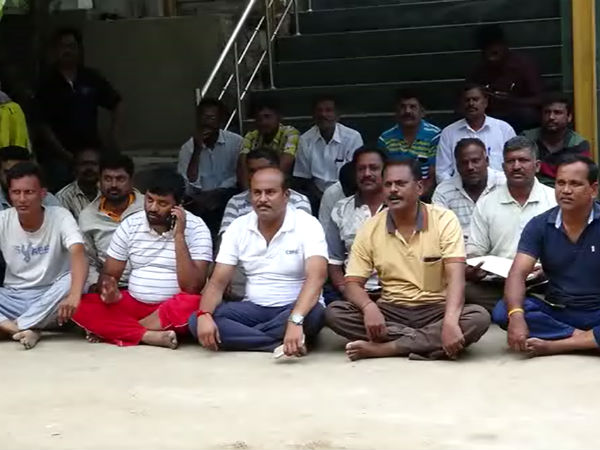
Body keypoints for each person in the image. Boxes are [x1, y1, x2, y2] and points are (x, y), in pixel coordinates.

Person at [326, 159, 490, 361]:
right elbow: (352, 283)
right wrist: (369, 308)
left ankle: (386, 348)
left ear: (419, 187)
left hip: (436, 309)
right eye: (388, 184)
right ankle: (430, 344)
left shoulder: (444, 220)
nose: (393, 190)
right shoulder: (370, 227)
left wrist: (449, 321)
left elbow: (456, 279)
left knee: (478, 317)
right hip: (391, 309)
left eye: (400, 184)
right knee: (335, 313)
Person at [190, 166, 328, 354]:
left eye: (270, 192)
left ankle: (251, 337)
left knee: (315, 314)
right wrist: (204, 314)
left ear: (286, 195)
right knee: (197, 320)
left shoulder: (307, 224)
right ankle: (276, 344)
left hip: (295, 308)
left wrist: (295, 319)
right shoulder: (238, 227)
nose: (262, 199)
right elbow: (217, 282)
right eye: (257, 192)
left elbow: (317, 278)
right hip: (253, 308)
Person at [72, 169, 213, 348]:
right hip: (134, 304)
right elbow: (109, 275)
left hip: (173, 307)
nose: (153, 208)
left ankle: (119, 331)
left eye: (162, 203)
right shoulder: (130, 224)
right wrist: (108, 289)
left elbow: (192, 287)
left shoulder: (197, 228)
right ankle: (148, 335)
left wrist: (179, 236)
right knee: (80, 305)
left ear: (179, 205)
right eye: (149, 200)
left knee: (194, 303)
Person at [493, 155, 600, 357]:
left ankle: (556, 345)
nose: (565, 190)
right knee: (504, 311)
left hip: (596, 312)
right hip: (560, 311)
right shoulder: (540, 225)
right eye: (561, 183)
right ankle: (587, 340)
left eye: (575, 184)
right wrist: (516, 316)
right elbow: (517, 274)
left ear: (593, 190)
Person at [0, 162, 87, 349]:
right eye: (16, 192)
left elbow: (78, 251)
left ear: (43, 193)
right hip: (13, 298)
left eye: (29, 192)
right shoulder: (3, 220)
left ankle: (14, 326)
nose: (22, 199)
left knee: (74, 279)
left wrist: (74, 296)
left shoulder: (60, 216)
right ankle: (26, 328)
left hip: (53, 298)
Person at [466, 136, 556, 311]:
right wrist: (474, 269)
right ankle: (528, 308)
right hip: (499, 284)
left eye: (523, 160)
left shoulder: (554, 200)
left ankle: (511, 309)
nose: (516, 166)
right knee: (463, 290)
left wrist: (548, 269)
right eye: (510, 161)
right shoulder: (486, 203)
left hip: (544, 282)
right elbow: (476, 252)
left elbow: (570, 252)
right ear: (503, 167)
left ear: (537, 166)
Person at [36, 27, 122, 190]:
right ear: (55, 50)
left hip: (91, 152)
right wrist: (63, 152)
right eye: (63, 46)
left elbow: (116, 102)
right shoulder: (46, 83)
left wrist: (113, 137)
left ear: (79, 49)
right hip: (57, 156)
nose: (67, 51)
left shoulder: (90, 78)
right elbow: (42, 124)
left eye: (71, 46)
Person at [326, 148, 386, 300]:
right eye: (361, 169)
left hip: (396, 295)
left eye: (374, 168)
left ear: (386, 172)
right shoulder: (341, 209)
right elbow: (334, 263)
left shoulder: (399, 206)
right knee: (333, 311)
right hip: (352, 293)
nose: (367, 174)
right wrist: (348, 293)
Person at [78, 153, 144, 290]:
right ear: (99, 181)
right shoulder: (88, 216)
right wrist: (97, 285)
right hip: (110, 286)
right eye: (107, 179)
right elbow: (88, 260)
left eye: (120, 179)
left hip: (148, 282)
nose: (113, 185)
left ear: (131, 181)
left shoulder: (148, 208)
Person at [178, 98, 242, 234]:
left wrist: (217, 193)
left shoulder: (236, 142)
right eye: (203, 117)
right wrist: (197, 150)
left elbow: (238, 175)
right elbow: (188, 182)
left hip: (227, 194)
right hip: (199, 199)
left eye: (212, 118)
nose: (206, 122)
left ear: (220, 121)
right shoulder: (187, 148)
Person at [468, 24, 542, 133]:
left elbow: (540, 99)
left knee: (528, 114)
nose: (491, 58)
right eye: (486, 52)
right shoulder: (479, 69)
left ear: (504, 46)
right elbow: (465, 97)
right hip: (489, 117)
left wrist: (512, 100)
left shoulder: (523, 65)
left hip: (517, 116)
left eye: (495, 52)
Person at [220, 148, 311, 236]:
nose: (258, 174)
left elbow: (304, 237)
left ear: (277, 170)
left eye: (263, 169)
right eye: (252, 170)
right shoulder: (236, 202)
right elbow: (225, 238)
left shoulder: (298, 201)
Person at [436, 84, 516, 182]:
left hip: (500, 188)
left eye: (475, 99)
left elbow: (514, 163)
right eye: (467, 100)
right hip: (460, 188)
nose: (471, 104)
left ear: (485, 102)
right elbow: (442, 172)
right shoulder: (449, 133)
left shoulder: (504, 129)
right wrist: (453, 189)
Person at [293, 95, 363, 208]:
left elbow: (354, 174)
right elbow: (304, 178)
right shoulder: (305, 139)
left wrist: (336, 198)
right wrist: (323, 199)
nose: (323, 115)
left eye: (328, 110)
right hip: (316, 196)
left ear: (338, 115)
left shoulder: (352, 137)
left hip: (346, 193)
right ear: (313, 115)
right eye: (319, 111)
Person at [432, 138, 505, 241]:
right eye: (464, 162)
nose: (470, 167)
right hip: (459, 248)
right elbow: (440, 231)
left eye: (475, 161)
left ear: (487, 161)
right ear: (457, 166)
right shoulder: (444, 192)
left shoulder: (505, 183)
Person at [377, 90, 441, 195]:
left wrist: (416, 197)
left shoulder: (435, 135)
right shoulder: (385, 139)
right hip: (394, 192)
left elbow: (433, 175)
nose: (407, 111)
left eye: (413, 107)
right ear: (396, 112)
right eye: (402, 107)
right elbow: (384, 174)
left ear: (422, 112)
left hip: (427, 194)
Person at [521, 93, 590, 186]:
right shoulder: (527, 139)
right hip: (533, 191)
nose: (551, 117)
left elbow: (579, 179)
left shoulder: (578, 144)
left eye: (557, 112)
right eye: (547, 112)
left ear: (569, 117)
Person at [237, 97, 299, 187]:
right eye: (258, 118)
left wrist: (266, 189)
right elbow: (242, 165)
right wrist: (247, 191)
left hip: (283, 184)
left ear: (279, 117)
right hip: (254, 185)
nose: (263, 122)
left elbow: (286, 164)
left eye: (267, 117)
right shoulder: (251, 136)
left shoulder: (290, 133)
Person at [56, 146, 100, 219]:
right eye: (84, 164)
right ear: (75, 168)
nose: (89, 168)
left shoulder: (108, 191)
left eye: (94, 164)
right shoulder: (63, 197)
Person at [317, 161, 357, 230]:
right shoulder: (331, 194)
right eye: (348, 192)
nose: (351, 196)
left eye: (354, 190)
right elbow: (325, 228)